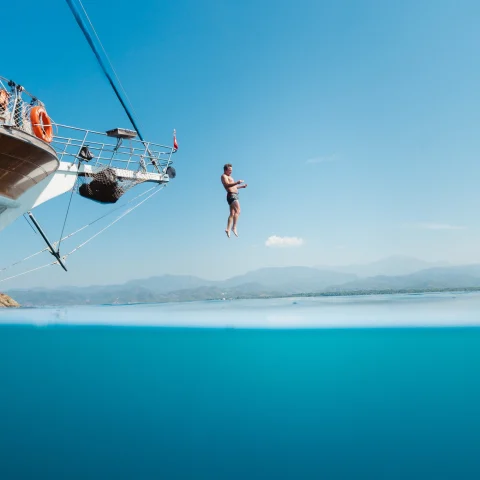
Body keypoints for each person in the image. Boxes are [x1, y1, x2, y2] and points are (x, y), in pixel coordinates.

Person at [221, 163, 247, 237]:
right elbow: (227, 185)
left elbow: (234, 187)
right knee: (238, 211)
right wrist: (237, 182)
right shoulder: (224, 176)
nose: (231, 172)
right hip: (231, 195)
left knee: (232, 213)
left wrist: (242, 186)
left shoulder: (230, 177)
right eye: (229, 170)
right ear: (225, 170)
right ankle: (234, 227)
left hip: (233, 195)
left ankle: (228, 229)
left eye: (231, 170)